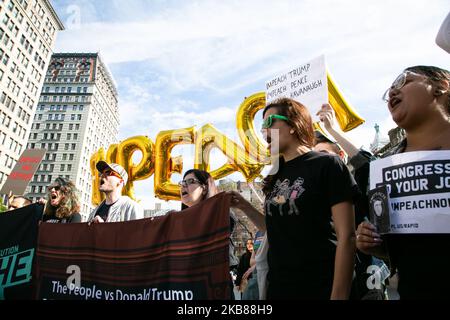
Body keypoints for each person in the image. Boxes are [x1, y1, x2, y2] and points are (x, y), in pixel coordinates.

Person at [229, 97, 359, 300]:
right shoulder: (275, 175)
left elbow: (347, 237)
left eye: (269, 122)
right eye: (262, 126)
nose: (264, 132)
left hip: (321, 286)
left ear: (293, 124)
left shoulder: (327, 165)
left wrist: (339, 296)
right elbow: (274, 228)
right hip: (279, 289)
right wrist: (244, 206)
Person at [356, 65, 450, 299]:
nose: (392, 92)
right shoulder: (385, 168)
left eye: (403, 81)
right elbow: (393, 250)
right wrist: (373, 243)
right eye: (389, 90)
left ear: (441, 87)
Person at [178, 168, 240, 298]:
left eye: (190, 181)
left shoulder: (221, 214)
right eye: (182, 183)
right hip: (185, 288)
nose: (184, 186)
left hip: (213, 286)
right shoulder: (176, 221)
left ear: (204, 188)